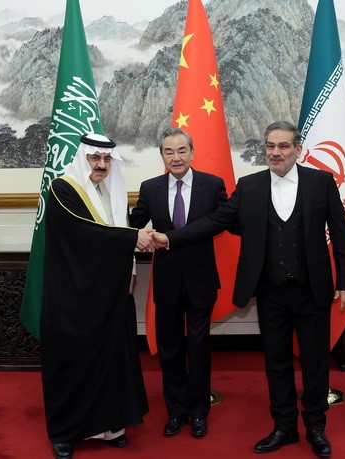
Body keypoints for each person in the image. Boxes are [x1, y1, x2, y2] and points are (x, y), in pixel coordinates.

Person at [151, 121, 345, 457]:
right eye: (270, 146)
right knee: (276, 363)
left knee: (315, 363)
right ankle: (284, 427)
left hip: (312, 291)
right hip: (270, 292)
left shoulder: (321, 182)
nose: (276, 152)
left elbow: (342, 233)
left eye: (283, 146)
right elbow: (215, 221)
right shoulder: (250, 186)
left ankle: (316, 427)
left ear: (297, 149)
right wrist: (170, 237)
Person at [40, 133, 152, 459]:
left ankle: (110, 426)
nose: (101, 165)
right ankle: (65, 432)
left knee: (112, 357)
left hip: (111, 292)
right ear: (83, 158)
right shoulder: (63, 189)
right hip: (74, 296)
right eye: (95, 158)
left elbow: (118, 227)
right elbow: (82, 232)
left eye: (106, 160)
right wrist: (133, 238)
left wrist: (131, 270)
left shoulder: (111, 191)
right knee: (74, 360)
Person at [130, 127, 227, 438]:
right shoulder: (150, 188)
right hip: (167, 280)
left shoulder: (213, 185)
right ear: (161, 156)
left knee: (198, 347)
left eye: (182, 150)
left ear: (192, 153)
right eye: (169, 152)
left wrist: (171, 238)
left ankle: (198, 412)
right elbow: (133, 224)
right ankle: (176, 411)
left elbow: (222, 221)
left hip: (201, 279)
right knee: (170, 348)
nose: (176, 157)